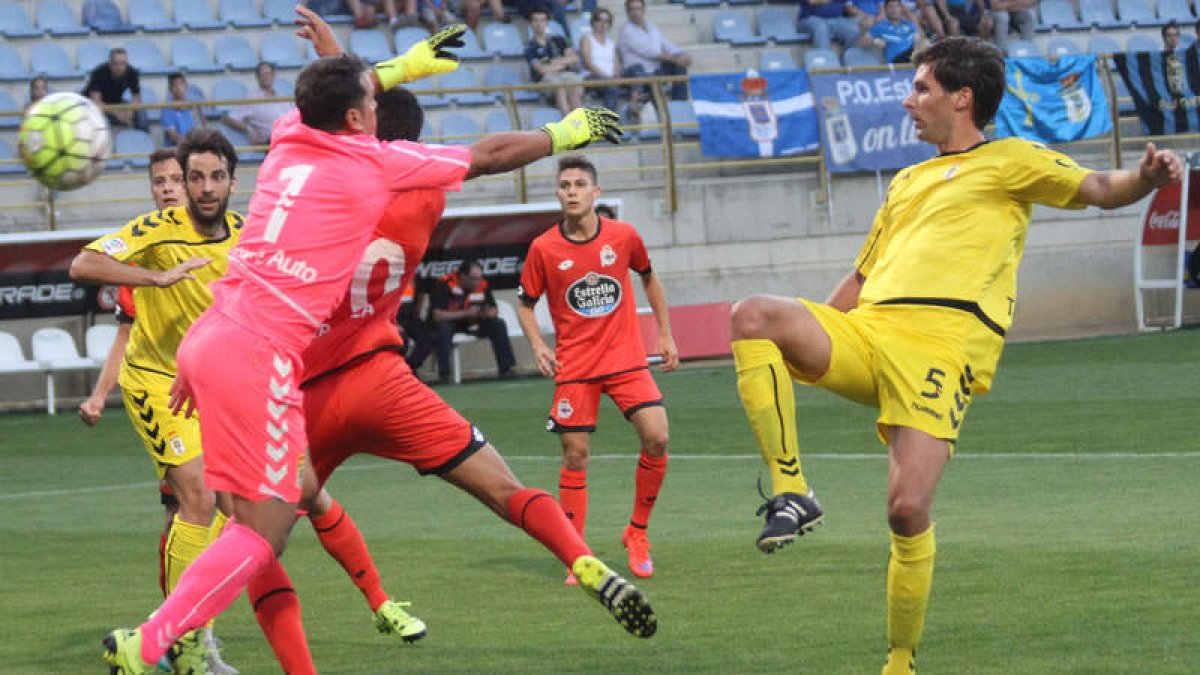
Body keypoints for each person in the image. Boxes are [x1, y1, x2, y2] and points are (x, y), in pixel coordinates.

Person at [101, 13, 629, 672]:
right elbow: (489, 155)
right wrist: (567, 130)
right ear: (356, 118)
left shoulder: (290, 134)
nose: (378, 103)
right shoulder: (383, 167)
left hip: (209, 338)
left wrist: (398, 64)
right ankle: (151, 640)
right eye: (370, 100)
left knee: (254, 514)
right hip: (271, 356)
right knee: (260, 533)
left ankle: (187, 638)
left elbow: (343, 89)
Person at [728, 37, 1182, 675]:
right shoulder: (907, 180)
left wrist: (1146, 179)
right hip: (871, 331)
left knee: (906, 508)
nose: (908, 100)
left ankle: (900, 661)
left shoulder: (1010, 161)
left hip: (941, 347)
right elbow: (860, 280)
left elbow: (1098, 186)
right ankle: (791, 491)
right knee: (754, 314)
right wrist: (802, 346)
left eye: (921, 89)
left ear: (961, 98)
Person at [516, 155, 678, 583]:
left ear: (595, 192)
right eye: (564, 184)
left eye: (579, 184)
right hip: (575, 367)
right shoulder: (543, 248)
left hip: (625, 361)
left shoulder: (624, 237)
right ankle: (577, 554)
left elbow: (649, 276)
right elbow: (525, 305)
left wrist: (665, 334)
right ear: (558, 192)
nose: (571, 191)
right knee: (575, 454)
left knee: (657, 436)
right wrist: (537, 344)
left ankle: (637, 533)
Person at [428, 258, 517, 382]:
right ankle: (445, 374)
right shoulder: (445, 283)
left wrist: (486, 313)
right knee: (443, 328)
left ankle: (507, 369)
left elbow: (494, 310)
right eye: (473, 278)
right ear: (463, 276)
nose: (477, 282)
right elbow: (437, 315)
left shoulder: (483, 284)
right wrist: (466, 313)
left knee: (498, 324)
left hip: (474, 322)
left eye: (480, 278)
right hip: (451, 323)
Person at [617, 0, 692, 104]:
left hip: (655, 71)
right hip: (639, 74)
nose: (635, 12)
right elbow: (651, 52)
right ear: (627, 12)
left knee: (679, 66)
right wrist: (676, 59)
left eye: (638, 8)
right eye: (632, 9)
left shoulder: (651, 27)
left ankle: (680, 102)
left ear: (643, 10)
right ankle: (646, 96)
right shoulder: (626, 31)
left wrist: (682, 54)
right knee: (676, 62)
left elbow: (666, 44)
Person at [525, 9, 584, 117]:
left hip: (566, 75)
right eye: (535, 20)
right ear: (530, 24)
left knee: (574, 87)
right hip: (546, 80)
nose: (539, 24)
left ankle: (580, 124)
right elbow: (541, 70)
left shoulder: (559, 40)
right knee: (559, 87)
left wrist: (553, 63)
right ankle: (568, 123)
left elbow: (574, 58)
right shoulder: (530, 47)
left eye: (542, 20)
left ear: (547, 22)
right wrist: (563, 64)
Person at [222, 62, 295, 146]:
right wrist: (248, 128)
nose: (266, 77)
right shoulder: (252, 98)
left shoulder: (283, 97)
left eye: (268, 73)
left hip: (290, 136)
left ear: (273, 76)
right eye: (262, 74)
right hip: (273, 141)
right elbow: (227, 118)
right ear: (257, 78)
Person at [83, 47, 148, 131]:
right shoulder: (99, 72)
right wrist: (116, 113)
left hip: (116, 102)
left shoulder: (132, 73)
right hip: (93, 104)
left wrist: (130, 111)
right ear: (110, 63)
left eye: (123, 63)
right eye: (116, 64)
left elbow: (136, 96)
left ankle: (143, 139)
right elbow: (95, 100)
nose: (119, 67)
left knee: (141, 112)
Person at [580, 8, 623, 113]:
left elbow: (617, 64)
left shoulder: (611, 43)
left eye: (607, 21)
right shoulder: (587, 39)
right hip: (592, 76)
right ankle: (609, 122)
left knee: (636, 70)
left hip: (609, 78)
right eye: (600, 20)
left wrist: (616, 76)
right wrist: (606, 77)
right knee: (611, 86)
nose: (603, 24)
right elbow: (588, 63)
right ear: (593, 22)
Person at [796, 0, 861, 52]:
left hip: (835, 20)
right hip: (809, 19)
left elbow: (848, 6)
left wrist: (865, 16)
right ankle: (824, 64)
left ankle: (850, 62)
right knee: (821, 28)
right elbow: (812, 1)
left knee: (853, 30)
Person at [161, 72, 197, 147]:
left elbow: (200, 129)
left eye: (180, 84)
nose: (178, 88)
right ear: (170, 89)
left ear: (186, 86)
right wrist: (190, 145)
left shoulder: (193, 106)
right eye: (174, 85)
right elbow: (173, 135)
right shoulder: (167, 109)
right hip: (176, 150)